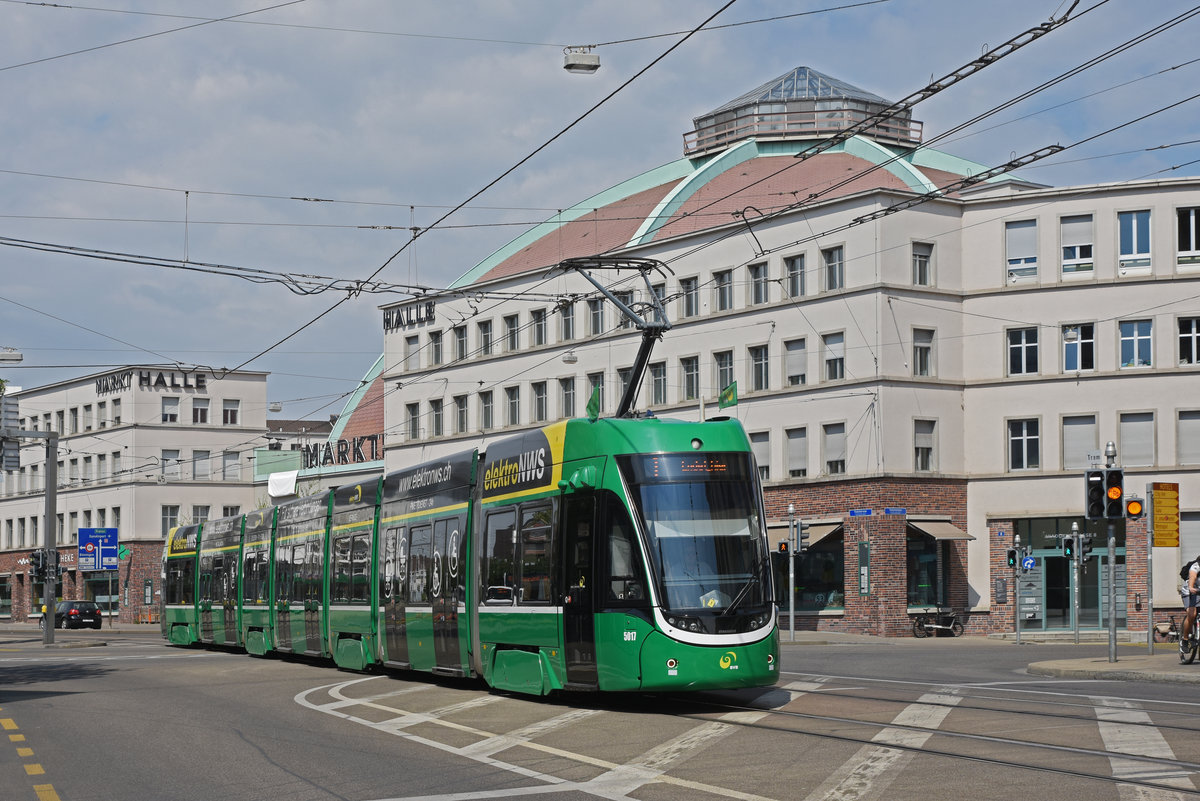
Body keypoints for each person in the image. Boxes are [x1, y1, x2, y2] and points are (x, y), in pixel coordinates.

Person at [1181, 555, 1200, 651]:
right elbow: (1193, 577)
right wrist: (1191, 587)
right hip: (1189, 591)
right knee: (1192, 614)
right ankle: (1185, 639)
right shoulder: (1195, 566)